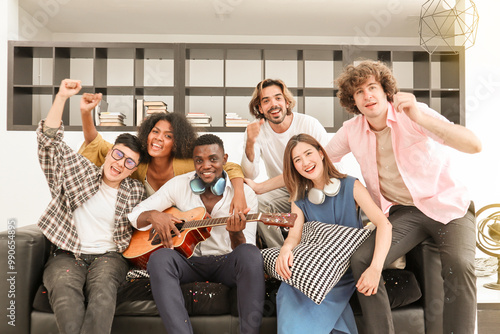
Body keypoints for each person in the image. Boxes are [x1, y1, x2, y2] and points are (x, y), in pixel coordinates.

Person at [325, 60, 482, 334]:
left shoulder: (414, 113)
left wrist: (420, 118)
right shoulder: (351, 131)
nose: (367, 96)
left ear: (387, 91)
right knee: (362, 260)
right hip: (404, 213)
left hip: (448, 205)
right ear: (353, 101)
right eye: (359, 92)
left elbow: (473, 144)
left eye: (372, 87)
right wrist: (260, 186)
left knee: (460, 264)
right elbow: (316, 162)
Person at [37, 79, 146, 334]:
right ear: (108, 153)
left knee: (103, 294)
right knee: (65, 295)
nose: (120, 164)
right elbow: (48, 143)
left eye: (130, 163)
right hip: (67, 254)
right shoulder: (82, 171)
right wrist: (62, 97)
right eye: (118, 155)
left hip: (109, 258)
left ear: (133, 170)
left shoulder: (136, 192)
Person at [128, 134, 264, 334]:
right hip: (189, 262)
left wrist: (236, 235)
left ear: (225, 160)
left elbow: (246, 247)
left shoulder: (245, 195)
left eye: (213, 159)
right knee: (160, 258)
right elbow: (135, 215)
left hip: (225, 262)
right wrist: (153, 215)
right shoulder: (179, 185)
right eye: (199, 161)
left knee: (250, 255)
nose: (205, 166)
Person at [273, 133, 391, 334]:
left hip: (342, 270)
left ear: (321, 153)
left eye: (308, 153)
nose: (305, 163)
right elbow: (294, 235)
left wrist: (375, 268)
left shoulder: (350, 185)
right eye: (297, 160)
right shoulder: (299, 197)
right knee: (287, 292)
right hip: (313, 269)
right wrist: (285, 250)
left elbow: (384, 224)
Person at [78, 95, 248, 213]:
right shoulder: (136, 162)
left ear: (177, 142)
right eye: (155, 131)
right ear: (147, 133)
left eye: (168, 136)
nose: (158, 138)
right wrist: (86, 113)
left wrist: (239, 195)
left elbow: (229, 166)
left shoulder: (187, 164)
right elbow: (97, 143)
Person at [242, 78, 329, 247]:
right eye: (266, 101)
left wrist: (261, 187)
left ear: (287, 102)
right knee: (257, 202)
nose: (273, 104)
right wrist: (250, 143)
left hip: (317, 185)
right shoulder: (256, 130)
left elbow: (328, 166)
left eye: (278, 98)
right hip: (284, 191)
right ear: (260, 108)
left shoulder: (309, 124)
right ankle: (277, 255)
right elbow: (250, 174)